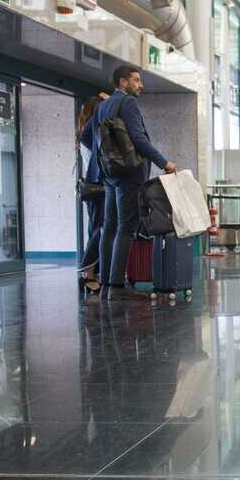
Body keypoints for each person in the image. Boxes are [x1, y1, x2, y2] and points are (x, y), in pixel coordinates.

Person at [87, 65, 177, 302]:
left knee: (109, 227)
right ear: (123, 82)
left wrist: (107, 162)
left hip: (110, 175)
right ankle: (117, 285)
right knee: (126, 227)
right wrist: (164, 162)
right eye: (136, 80)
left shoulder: (102, 106)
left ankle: (106, 284)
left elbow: (89, 137)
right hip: (130, 174)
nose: (141, 85)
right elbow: (138, 138)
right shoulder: (128, 103)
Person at [76, 92, 108, 294]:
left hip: (95, 187)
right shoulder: (89, 134)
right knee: (99, 228)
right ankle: (87, 271)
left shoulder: (88, 133)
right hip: (96, 186)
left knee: (96, 228)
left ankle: (93, 272)